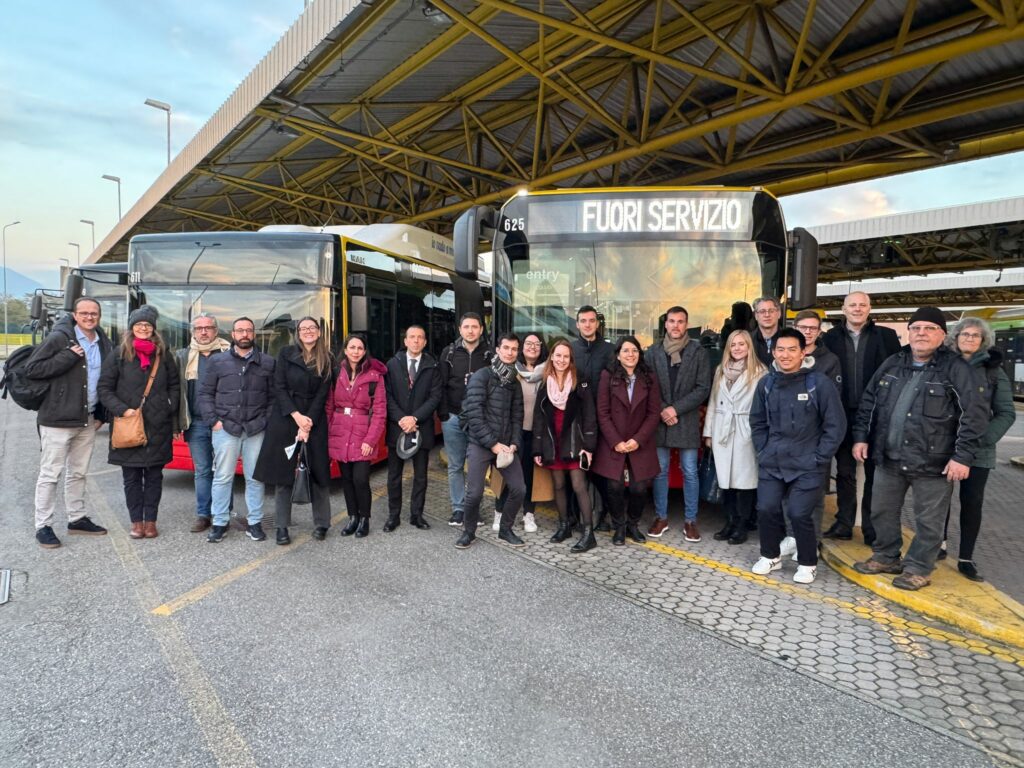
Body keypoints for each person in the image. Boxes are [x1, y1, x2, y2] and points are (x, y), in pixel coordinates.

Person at [852, 307, 987, 591]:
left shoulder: (956, 369)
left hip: (934, 462)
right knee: (881, 511)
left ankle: (918, 568)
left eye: (929, 328)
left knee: (929, 522)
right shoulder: (893, 363)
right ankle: (886, 556)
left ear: (942, 334)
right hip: (889, 457)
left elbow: (973, 416)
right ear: (909, 333)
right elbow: (869, 401)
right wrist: (861, 437)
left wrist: (962, 457)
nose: (921, 333)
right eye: (916, 328)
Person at [749, 329, 846, 584]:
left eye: (792, 349)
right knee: (766, 508)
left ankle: (807, 562)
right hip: (773, 461)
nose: (786, 355)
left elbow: (835, 425)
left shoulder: (819, 383)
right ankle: (770, 556)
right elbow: (757, 421)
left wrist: (820, 457)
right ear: (773, 352)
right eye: (780, 349)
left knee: (799, 513)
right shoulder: (766, 384)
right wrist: (763, 449)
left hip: (808, 463)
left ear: (804, 352)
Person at [25, 298, 113, 548]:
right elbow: (32, 369)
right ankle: (43, 525)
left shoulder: (102, 342)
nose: (89, 317)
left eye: (94, 313)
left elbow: (105, 380)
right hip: (57, 419)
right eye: (84, 313)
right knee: (50, 474)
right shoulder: (60, 339)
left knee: (79, 473)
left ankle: (76, 519)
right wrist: (66, 357)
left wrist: (101, 415)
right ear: (74, 315)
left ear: (99, 316)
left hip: (87, 419)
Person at [938, 317, 1016, 581]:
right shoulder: (944, 365)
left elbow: (1006, 413)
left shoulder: (994, 371)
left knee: (972, 503)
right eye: (964, 334)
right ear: (956, 338)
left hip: (979, 452)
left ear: (983, 341)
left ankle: (966, 557)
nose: (969, 339)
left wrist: (981, 440)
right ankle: (940, 544)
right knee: (939, 499)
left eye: (975, 336)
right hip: (944, 446)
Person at [821, 291, 900, 543]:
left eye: (862, 305)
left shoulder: (886, 337)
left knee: (874, 472)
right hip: (842, 413)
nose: (857, 309)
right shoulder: (830, 338)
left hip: (877, 414)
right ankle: (844, 522)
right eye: (852, 305)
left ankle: (870, 527)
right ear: (843, 310)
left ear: (869, 308)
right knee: (844, 471)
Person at [97, 305, 180, 539]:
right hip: (128, 426)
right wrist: (122, 410)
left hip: (158, 426)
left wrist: (169, 407)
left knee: (154, 477)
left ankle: (151, 521)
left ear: (154, 329)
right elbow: (104, 388)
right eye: (139, 324)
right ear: (131, 328)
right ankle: (136, 522)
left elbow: (175, 386)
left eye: (147, 324)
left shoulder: (164, 355)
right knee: (131, 478)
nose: (143, 328)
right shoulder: (118, 354)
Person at [253, 317, 333, 545]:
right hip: (286, 418)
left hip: (314, 421)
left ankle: (322, 523)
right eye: (303, 328)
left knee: (318, 475)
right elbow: (279, 387)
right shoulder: (286, 354)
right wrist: (297, 417)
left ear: (318, 332)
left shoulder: (327, 358)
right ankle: (281, 527)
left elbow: (322, 394)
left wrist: (308, 423)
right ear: (298, 333)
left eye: (312, 328)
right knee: (283, 476)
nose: (308, 332)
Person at [198, 317, 276, 544]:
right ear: (232, 334)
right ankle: (219, 523)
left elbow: (273, 398)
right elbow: (205, 394)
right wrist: (214, 421)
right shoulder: (218, 361)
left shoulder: (268, 363)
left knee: (255, 478)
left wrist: (265, 421)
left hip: (256, 429)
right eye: (240, 330)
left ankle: (255, 523)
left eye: (248, 331)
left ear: (254, 334)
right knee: (222, 478)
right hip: (226, 428)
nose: (244, 334)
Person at [455, 334, 526, 550]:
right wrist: (493, 444)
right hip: (481, 443)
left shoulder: (514, 382)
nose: (510, 352)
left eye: (514, 349)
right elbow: (475, 415)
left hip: (505, 446)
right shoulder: (482, 376)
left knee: (519, 489)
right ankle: (468, 532)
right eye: (506, 348)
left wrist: (514, 442)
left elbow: (517, 416)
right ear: (498, 350)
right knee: (474, 493)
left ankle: (505, 529)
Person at [646, 306, 711, 541]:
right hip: (661, 421)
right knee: (660, 472)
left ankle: (690, 521)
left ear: (687, 324)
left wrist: (675, 409)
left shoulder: (698, 352)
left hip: (687, 419)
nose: (676, 326)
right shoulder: (652, 352)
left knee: (690, 472)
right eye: (672, 321)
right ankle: (661, 517)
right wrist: (664, 409)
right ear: (665, 324)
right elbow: (647, 386)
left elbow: (703, 388)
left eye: (680, 321)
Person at [592, 336, 661, 546]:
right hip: (614, 440)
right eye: (626, 351)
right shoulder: (608, 375)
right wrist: (615, 441)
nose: (630, 355)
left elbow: (653, 412)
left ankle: (633, 524)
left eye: (634, 351)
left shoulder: (649, 377)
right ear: (618, 355)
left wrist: (638, 440)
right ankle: (619, 526)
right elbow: (602, 412)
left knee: (639, 488)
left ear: (640, 354)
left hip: (640, 441)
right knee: (614, 486)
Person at [532, 339, 598, 552]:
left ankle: (589, 534)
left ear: (571, 359)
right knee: (559, 485)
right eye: (557, 355)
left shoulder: (581, 382)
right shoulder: (544, 383)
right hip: (554, 443)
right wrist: (537, 448)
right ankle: (564, 526)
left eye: (565, 356)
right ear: (551, 356)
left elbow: (589, 416)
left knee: (579, 486)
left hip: (575, 443)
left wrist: (589, 445)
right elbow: (538, 419)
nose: (561, 360)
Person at [703, 330, 767, 545]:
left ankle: (742, 525)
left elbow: (764, 407)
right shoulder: (720, 370)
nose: (737, 348)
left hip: (745, 431)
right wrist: (708, 432)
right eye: (733, 345)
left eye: (742, 344)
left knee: (745, 483)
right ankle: (729, 522)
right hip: (722, 430)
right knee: (725, 482)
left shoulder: (760, 372)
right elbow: (713, 401)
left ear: (749, 347)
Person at [174, 313, 231, 533]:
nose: (204, 332)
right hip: (196, 423)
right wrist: (177, 422)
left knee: (224, 471)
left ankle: (222, 513)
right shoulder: (182, 356)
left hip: (224, 422)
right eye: (199, 328)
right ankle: (203, 515)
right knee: (203, 471)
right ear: (193, 332)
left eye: (208, 327)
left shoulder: (229, 353)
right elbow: (177, 392)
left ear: (216, 331)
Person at [384, 325, 442, 532]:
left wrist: (415, 418)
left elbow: (435, 397)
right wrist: (401, 418)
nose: (416, 341)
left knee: (420, 476)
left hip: (422, 428)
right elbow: (387, 396)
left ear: (425, 342)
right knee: (394, 476)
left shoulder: (432, 366)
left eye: (420, 338)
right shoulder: (392, 364)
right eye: (412, 337)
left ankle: (417, 515)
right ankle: (393, 516)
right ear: (405, 341)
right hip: (396, 427)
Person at [328, 335, 387, 539]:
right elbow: (329, 406)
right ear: (345, 350)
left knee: (360, 479)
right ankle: (352, 517)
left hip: (362, 432)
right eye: (351, 347)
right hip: (339, 430)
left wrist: (370, 441)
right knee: (346, 479)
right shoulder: (335, 373)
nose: (355, 351)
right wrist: (327, 433)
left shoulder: (375, 376)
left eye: (359, 348)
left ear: (364, 351)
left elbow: (380, 412)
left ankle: (365, 518)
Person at [438, 313, 491, 527]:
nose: (470, 330)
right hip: (452, 417)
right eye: (466, 326)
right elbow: (439, 384)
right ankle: (458, 509)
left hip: (479, 419)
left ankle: (473, 510)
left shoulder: (490, 355)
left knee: (477, 467)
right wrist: (443, 414)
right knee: (455, 465)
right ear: (459, 329)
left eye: (475, 327)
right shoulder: (448, 353)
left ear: (481, 329)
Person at [494, 332, 547, 534]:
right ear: (521, 347)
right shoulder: (510, 370)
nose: (532, 347)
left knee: (530, 475)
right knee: (508, 473)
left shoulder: (547, 371)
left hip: (535, 432)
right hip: (512, 431)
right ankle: (499, 511)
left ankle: (528, 514)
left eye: (537, 343)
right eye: (528, 343)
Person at [571, 305, 615, 531]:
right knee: (577, 469)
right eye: (583, 321)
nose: (587, 324)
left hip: (604, 420)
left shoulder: (610, 351)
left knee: (602, 471)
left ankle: (606, 515)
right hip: (575, 421)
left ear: (597, 324)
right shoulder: (569, 349)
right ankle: (575, 517)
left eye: (591, 320)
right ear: (577, 324)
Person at [792, 310, 842, 389]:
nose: (808, 331)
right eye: (803, 327)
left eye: (813, 328)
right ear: (794, 329)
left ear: (819, 332)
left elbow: (833, 395)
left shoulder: (830, 360)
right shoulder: (783, 356)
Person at [751, 297, 783, 367]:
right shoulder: (747, 340)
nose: (767, 315)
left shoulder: (790, 339)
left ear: (779, 314)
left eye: (771, 311)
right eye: (762, 311)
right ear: (756, 316)